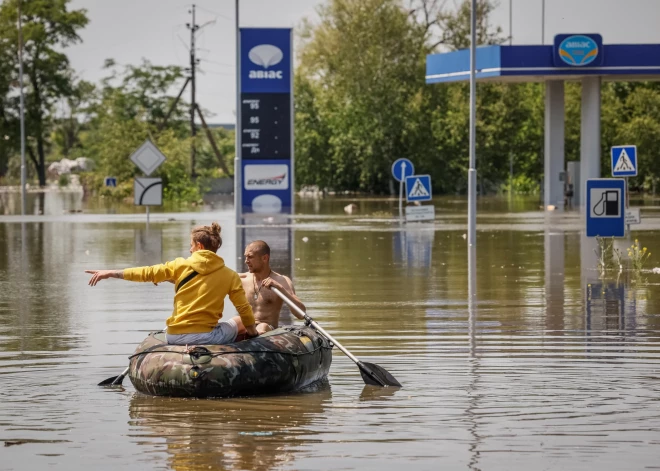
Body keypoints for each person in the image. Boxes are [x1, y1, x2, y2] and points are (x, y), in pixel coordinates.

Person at [85, 222, 259, 345]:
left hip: (174, 336)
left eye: (191, 245)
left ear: (198, 246)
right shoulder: (229, 275)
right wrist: (253, 335)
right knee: (238, 320)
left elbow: (146, 272)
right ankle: (237, 347)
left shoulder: (179, 266)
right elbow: (244, 309)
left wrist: (111, 273)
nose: (189, 249)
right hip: (207, 337)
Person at [231, 240, 305, 338]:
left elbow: (300, 314)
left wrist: (280, 288)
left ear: (265, 258)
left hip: (269, 330)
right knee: (236, 321)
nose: (246, 261)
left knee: (262, 326)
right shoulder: (241, 279)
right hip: (247, 327)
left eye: (250, 257)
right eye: (245, 257)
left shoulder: (281, 280)